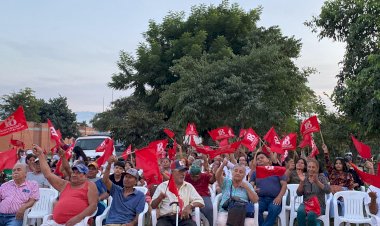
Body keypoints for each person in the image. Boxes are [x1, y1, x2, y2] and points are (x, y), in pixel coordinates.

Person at [33, 144, 98, 226]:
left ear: (85, 176)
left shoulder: (89, 185)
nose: (74, 174)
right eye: (74, 172)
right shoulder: (65, 185)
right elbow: (48, 174)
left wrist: (77, 219)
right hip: (56, 223)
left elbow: (93, 206)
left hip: (79, 222)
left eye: (78, 173)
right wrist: (40, 155)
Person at [151, 160, 205, 226]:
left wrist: (189, 206)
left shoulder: (188, 186)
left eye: (184, 171)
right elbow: (153, 205)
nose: (183, 174)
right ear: (172, 172)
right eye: (180, 171)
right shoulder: (163, 186)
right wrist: (159, 198)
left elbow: (201, 201)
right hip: (166, 218)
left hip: (183, 218)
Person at [102, 156, 145, 225]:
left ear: (135, 181)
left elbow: (139, 214)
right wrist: (109, 165)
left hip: (126, 223)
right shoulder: (116, 190)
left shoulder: (140, 195)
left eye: (130, 177)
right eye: (126, 176)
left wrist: (133, 223)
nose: (127, 179)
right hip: (111, 223)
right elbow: (105, 180)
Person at [216, 158, 259, 226]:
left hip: (243, 212)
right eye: (236, 171)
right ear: (232, 172)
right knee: (221, 222)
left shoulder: (247, 184)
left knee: (250, 223)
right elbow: (217, 176)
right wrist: (223, 165)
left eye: (241, 172)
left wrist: (246, 187)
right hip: (226, 211)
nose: (238, 173)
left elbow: (255, 200)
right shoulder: (226, 182)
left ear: (244, 175)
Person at [250, 152, 287, 226]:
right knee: (255, 209)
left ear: (268, 160)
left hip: (274, 199)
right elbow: (250, 186)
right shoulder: (255, 173)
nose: (259, 160)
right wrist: (253, 190)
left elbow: (284, 185)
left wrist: (279, 197)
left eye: (262, 158)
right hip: (260, 199)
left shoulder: (277, 170)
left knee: (274, 209)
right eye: (258, 159)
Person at [296, 158, 330, 226]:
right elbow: (299, 194)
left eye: (313, 167)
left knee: (311, 215)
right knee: (300, 211)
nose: (311, 169)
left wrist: (317, 182)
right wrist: (302, 182)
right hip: (306, 203)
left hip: (319, 205)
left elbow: (328, 190)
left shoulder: (321, 177)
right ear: (307, 167)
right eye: (309, 167)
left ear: (317, 169)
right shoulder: (304, 177)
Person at [185, 157, 215, 225]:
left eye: (196, 176)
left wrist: (214, 174)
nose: (194, 178)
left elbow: (212, 181)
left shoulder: (205, 175)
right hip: (190, 197)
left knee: (209, 209)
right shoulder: (186, 176)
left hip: (203, 196)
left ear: (200, 174)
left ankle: (212, 224)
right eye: (193, 176)